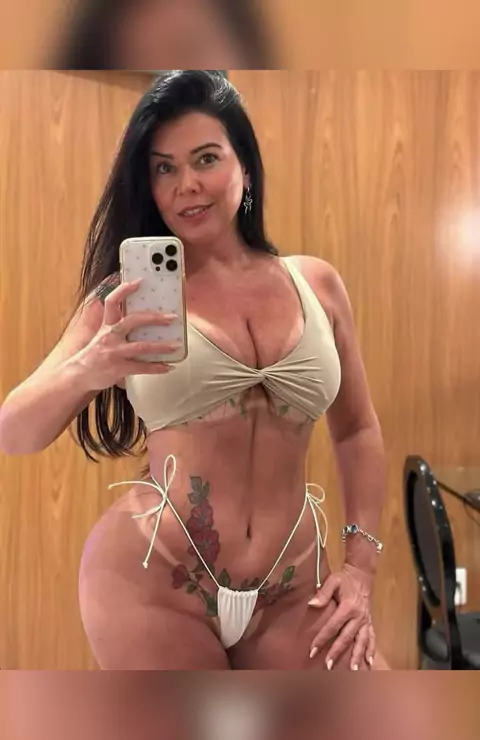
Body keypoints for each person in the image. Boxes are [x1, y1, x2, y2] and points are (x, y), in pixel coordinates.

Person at [0, 70, 388, 670]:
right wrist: (90, 367)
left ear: (245, 168)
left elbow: (357, 430)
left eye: (206, 158)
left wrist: (361, 569)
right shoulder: (126, 295)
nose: (187, 185)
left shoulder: (318, 285)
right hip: (153, 582)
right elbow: (13, 431)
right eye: (164, 168)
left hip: (292, 592)